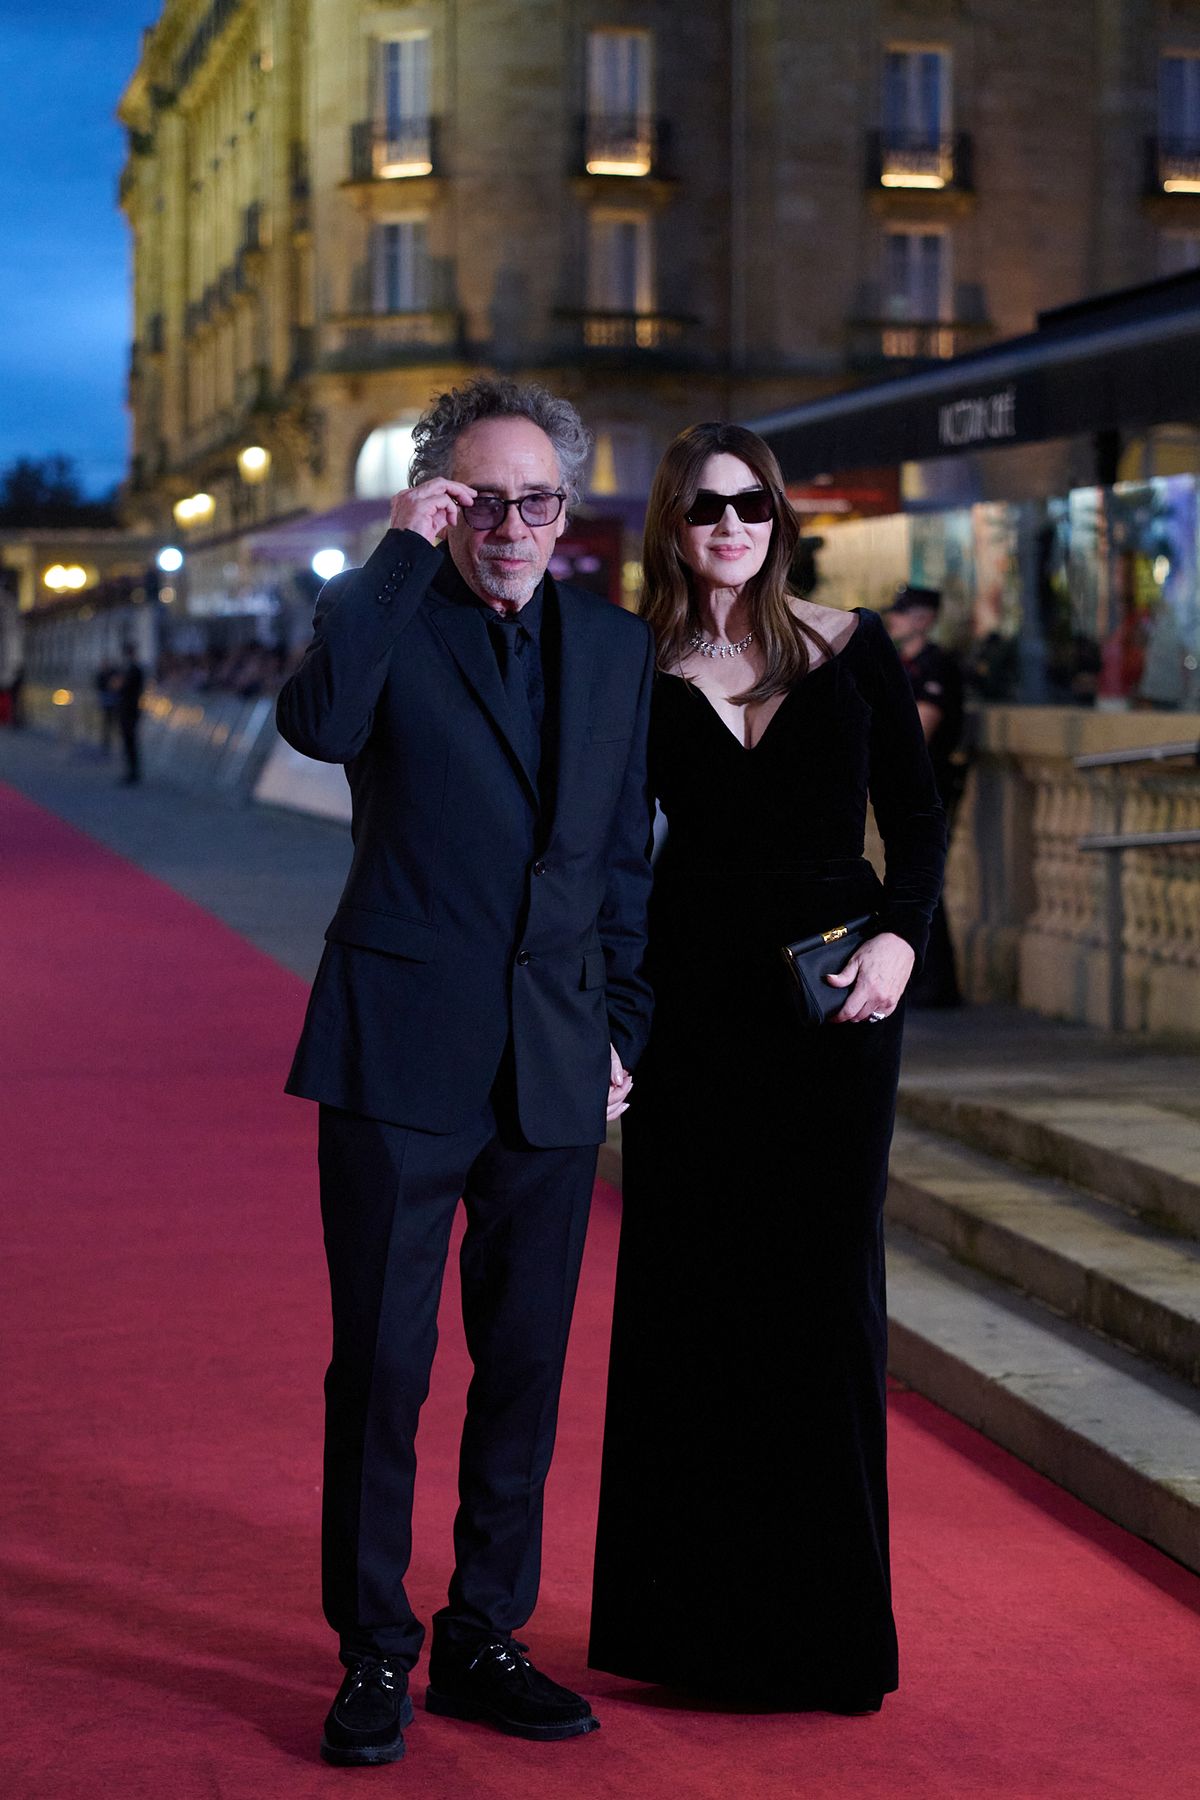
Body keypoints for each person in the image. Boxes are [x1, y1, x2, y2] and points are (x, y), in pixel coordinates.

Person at [276, 377, 655, 1767]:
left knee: (527, 1367)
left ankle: (486, 1633)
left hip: (555, 1062)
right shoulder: (380, 619)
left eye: (536, 500)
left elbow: (622, 867)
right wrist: (389, 554)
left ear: (566, 508)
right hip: (398, 1056)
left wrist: (625, 1026)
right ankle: (372, 1648)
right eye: (481, 499)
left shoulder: (614, 651)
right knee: (380, 1367)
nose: (510, 524)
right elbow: (316, 729)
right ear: (441, 501)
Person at [588, 422, 946, 1711]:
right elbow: (607, 857)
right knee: (690, 1299)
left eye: (750, 507)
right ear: (673, 528)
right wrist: (607, 1026)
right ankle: (692, 1633)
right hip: (690, 1007)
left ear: (780, 519)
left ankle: (827, 1635)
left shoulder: (851, 651)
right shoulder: (634, 668)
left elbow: (916, 821)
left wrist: (904, 944)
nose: (730, 528)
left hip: (836, 1004)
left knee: (820, 1296)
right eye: (704, 510)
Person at [882, 584, 965, 1007]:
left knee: (926, 880)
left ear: (924, 618)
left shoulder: (936, 665)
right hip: (905, 790)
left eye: (901, 614)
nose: (892, 621)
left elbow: (917, 730)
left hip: (932, 790)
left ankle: (937, 984)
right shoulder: (905, 664)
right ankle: (922, 979)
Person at [115, 642, 144, 785]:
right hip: (126, 709)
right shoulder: (128, 670)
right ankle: (131, 771)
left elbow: (123, 687)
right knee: (127, 742)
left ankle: (134, 772)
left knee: (131, 742)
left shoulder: (135, 670)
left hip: (130, 710)